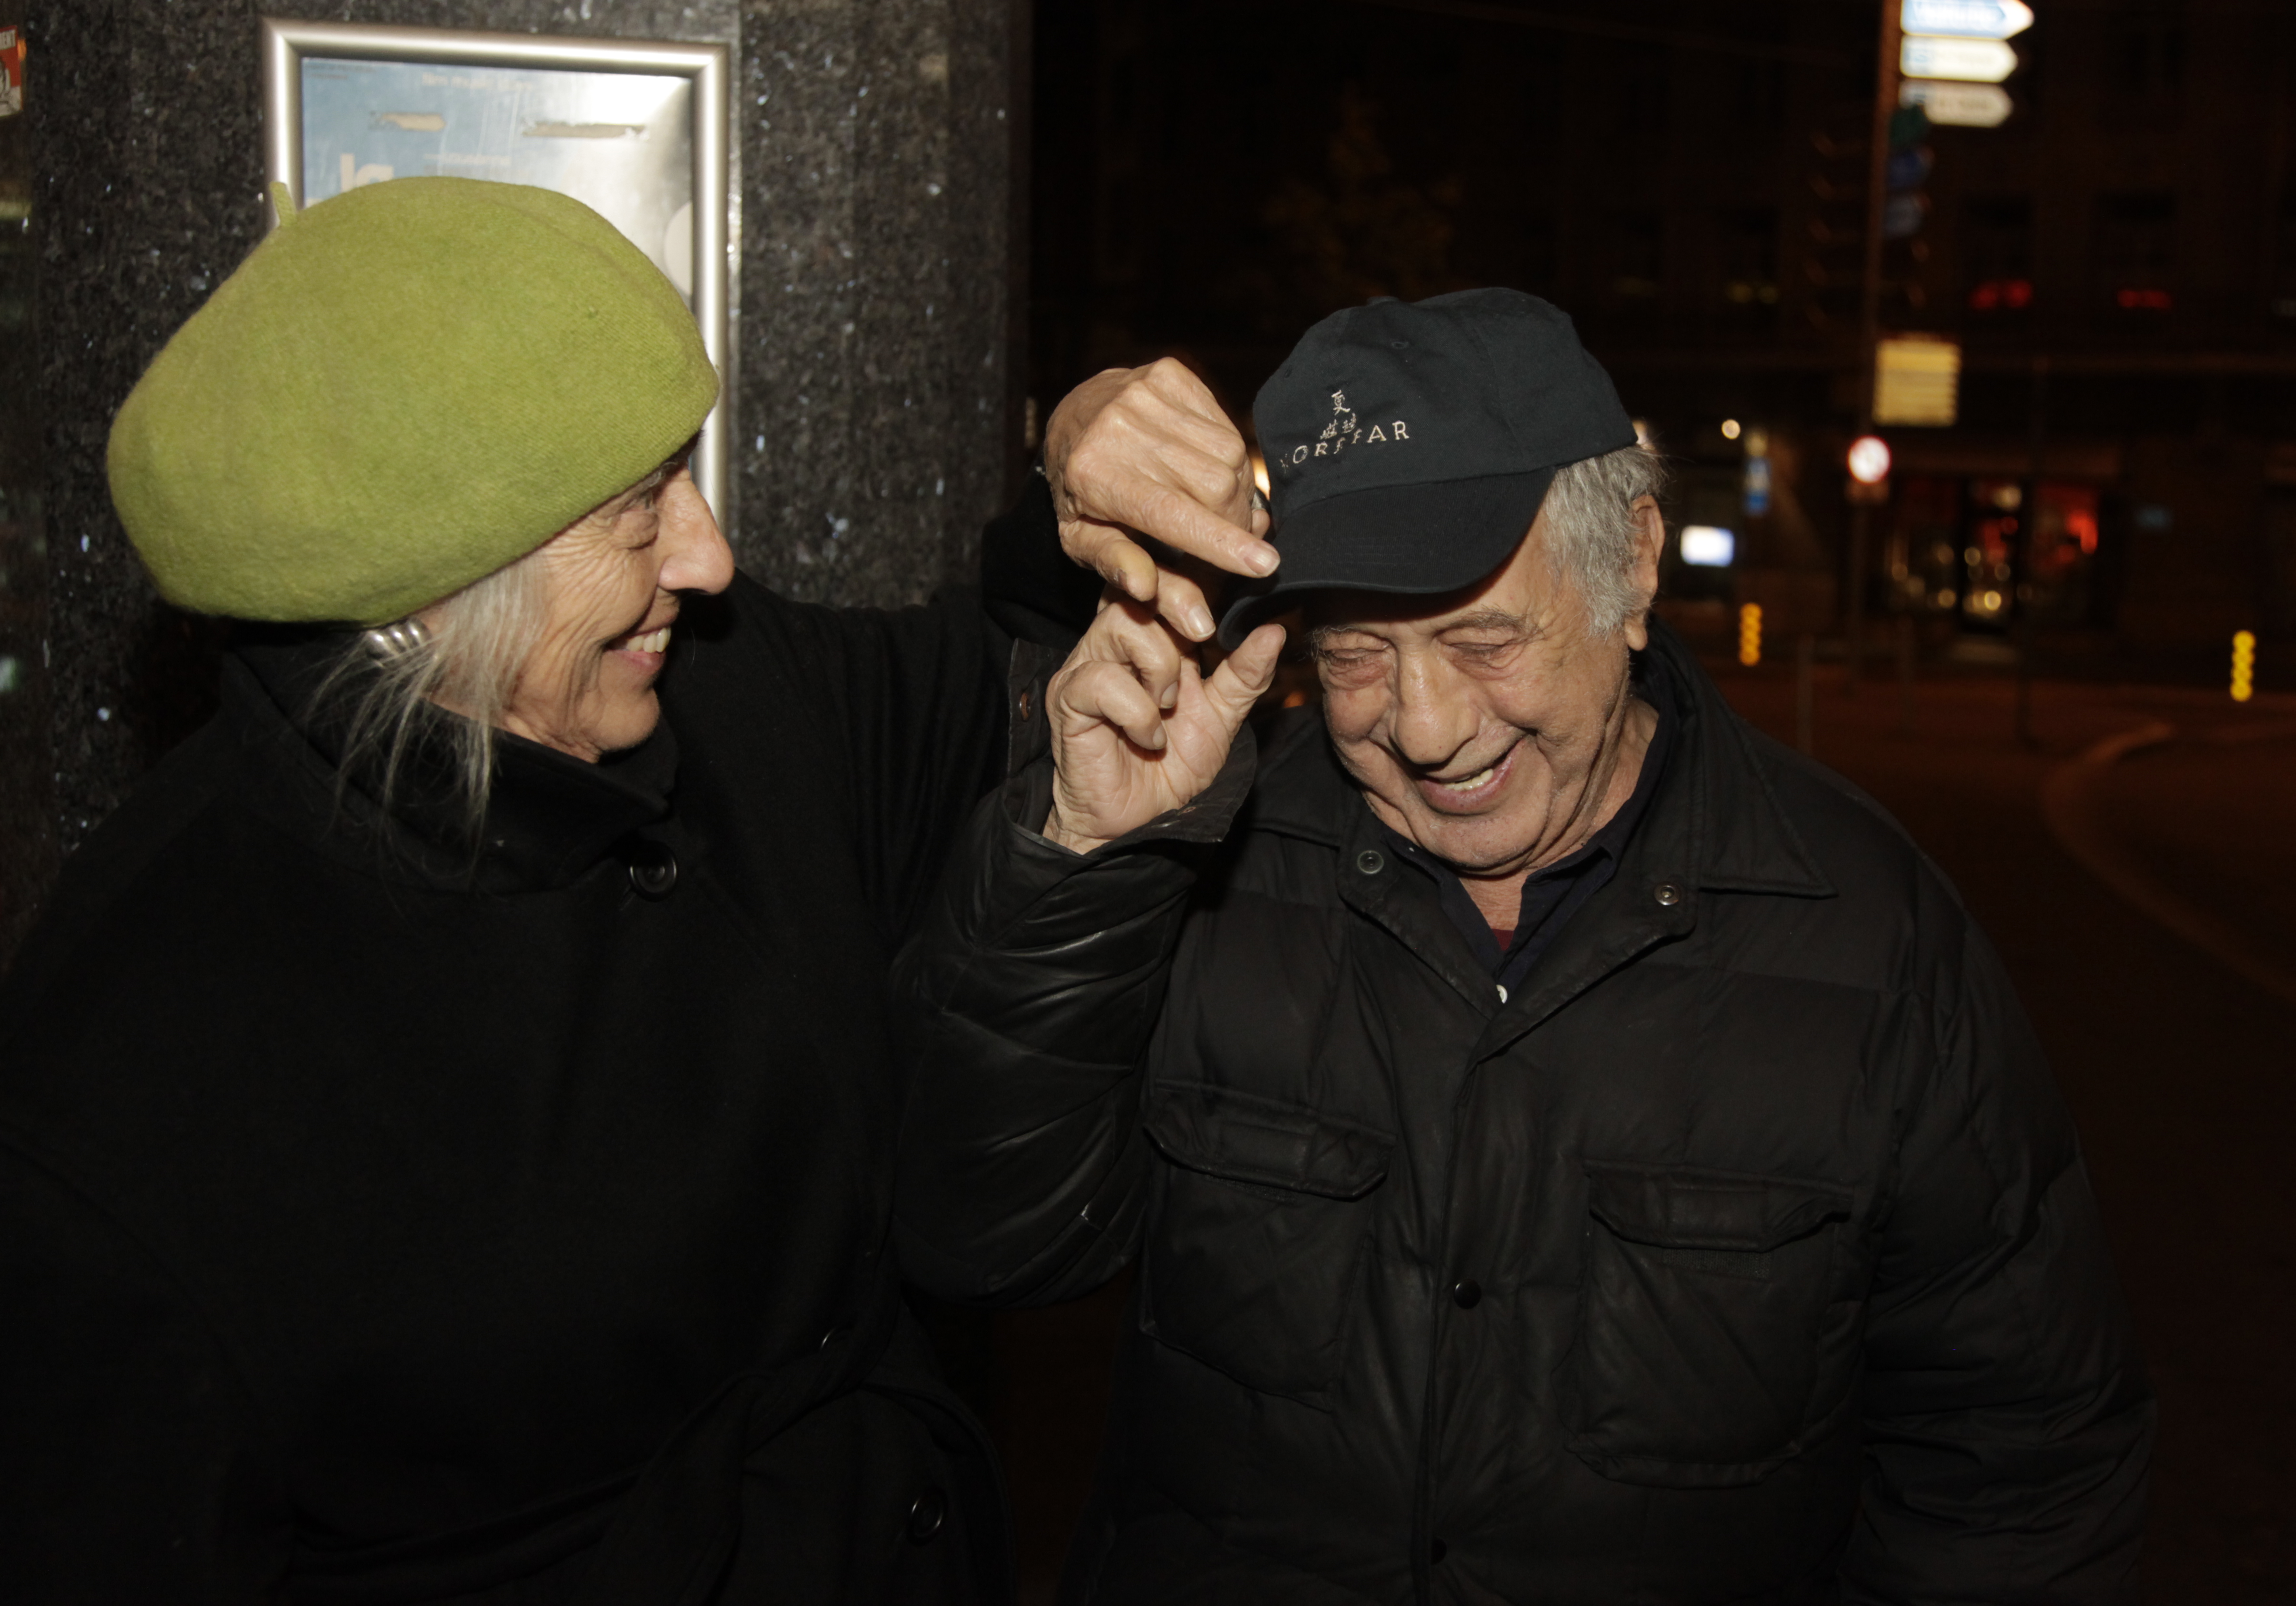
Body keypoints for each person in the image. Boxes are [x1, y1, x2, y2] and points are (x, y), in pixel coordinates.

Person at [0, 175, 1271, 1601]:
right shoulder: (99, 1112)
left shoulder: (731, 694)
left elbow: (1001, 675)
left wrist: (1083, 452)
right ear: (426, 585)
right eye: (641, 511)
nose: (709, 559)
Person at [893, 289, 2155, 1602]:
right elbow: (979, 1240)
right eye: (1356, 655)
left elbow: (2022, 1463)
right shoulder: (1208, 854)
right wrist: (1081, 862)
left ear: (1635, 568)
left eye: (1484, 640)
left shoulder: (1870, 934)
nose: (1427, 727)